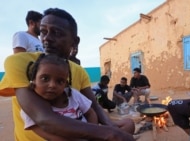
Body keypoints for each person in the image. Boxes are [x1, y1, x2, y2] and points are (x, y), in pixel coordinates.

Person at [0, 8, 135, 141]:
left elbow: (93, 106)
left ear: (74, 42)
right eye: (43, 32)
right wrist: (111, 134)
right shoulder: (20, 62)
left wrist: (111, 127)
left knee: (128, 124)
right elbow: (44, 119)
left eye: (56, 32)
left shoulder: (78, 70)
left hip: (79, 134)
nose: (47, 38)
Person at [22, 54, 98, 140]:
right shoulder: (30, 106)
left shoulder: (73, 95)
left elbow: (90, 113)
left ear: (65, 84)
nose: (52, 85)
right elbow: (54, 138)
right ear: (34, 78)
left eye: (60, 81)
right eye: (45, 78)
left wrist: (93, 135)